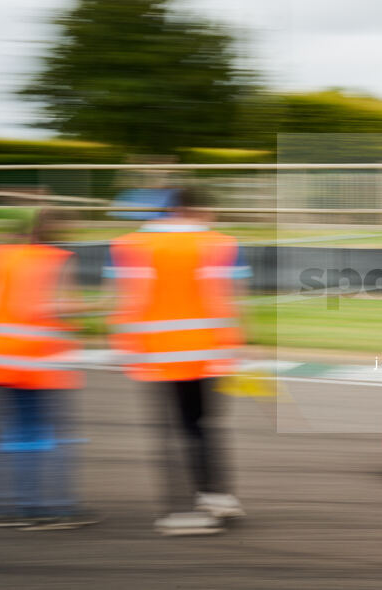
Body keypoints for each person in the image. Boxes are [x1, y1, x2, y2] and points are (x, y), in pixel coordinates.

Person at [106, 186, 248, 536]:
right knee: (201, 424)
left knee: (171, 428)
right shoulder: (220, 243)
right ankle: (216, 495)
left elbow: (127, 298)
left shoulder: (131, 245)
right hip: (208, 349)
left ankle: (182, 508)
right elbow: (231, 297)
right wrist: (240, 341)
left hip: (160, 351)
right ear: (194, 209)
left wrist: (121, 343)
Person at [0, 209, 97, 529]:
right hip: (33, 361)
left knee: (2, 434)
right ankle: (45, 506)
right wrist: (95, 306)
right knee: (40, 435)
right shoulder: (54, 259)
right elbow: (54, 305)